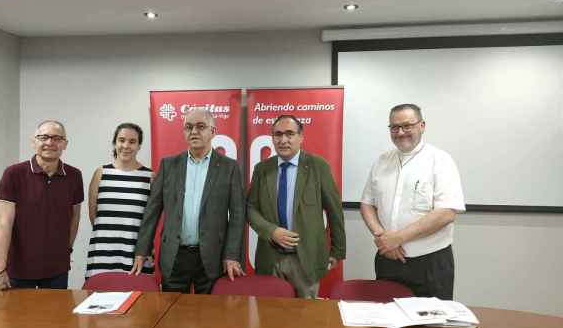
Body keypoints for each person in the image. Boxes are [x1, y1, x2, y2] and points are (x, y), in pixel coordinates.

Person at [131, 108, 246, 293]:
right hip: (175, 256)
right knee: (172, 316)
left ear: (213, 131)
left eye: (200, 127)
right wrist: (142, 250)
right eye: (189, 127)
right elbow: (152, 211)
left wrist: (232, 255)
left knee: (211, 316)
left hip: (212, 257)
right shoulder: (169, 165)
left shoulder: (229, 167)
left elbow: (238, 216)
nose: (194, 132)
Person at [360, 104, 465, 300]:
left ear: (422, 125)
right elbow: (367, 204)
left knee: (430, 327)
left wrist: (398, 238)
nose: (400, 132)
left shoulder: (440, 160)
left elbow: (446, 213)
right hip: (388, 259)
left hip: (430, 263)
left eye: (407, 126)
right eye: (394, 127)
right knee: (387, 323)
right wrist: (382, 237)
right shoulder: (382, 161)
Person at [248, 114, 346, 298]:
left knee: (306, 319)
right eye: (278, 134)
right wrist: (271, 231)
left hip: (306, 259)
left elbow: (334, 211)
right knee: (269, 315)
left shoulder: (318, 166)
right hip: (270, 258)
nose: (283, 140)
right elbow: (250, 209)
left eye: (289, 134)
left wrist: (337, 251)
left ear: (301, 137)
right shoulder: (262, 169)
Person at [0, 120, 84, 292]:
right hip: (19, 268)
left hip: (57, 269)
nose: (50, 143)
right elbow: (4, 223)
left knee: (55, 318)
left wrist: (66, 251)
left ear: (65, 144)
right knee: (16, 318)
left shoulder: (74, 176)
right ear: (34, 141)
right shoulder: (13, 174)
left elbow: (74, 217)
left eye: (57, 138)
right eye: (43, 137)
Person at [85, 123, 155, 279]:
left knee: (139, 300)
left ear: (139, 146)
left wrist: (146, 249)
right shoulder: (101, 173)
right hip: (102, 252)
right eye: (121, 140)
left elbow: (152, 220)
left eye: (132, 141)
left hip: (136, 254)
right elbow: (94, 215)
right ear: (115, 143)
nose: (126, 146)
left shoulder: (150, 177)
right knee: (100, 299)